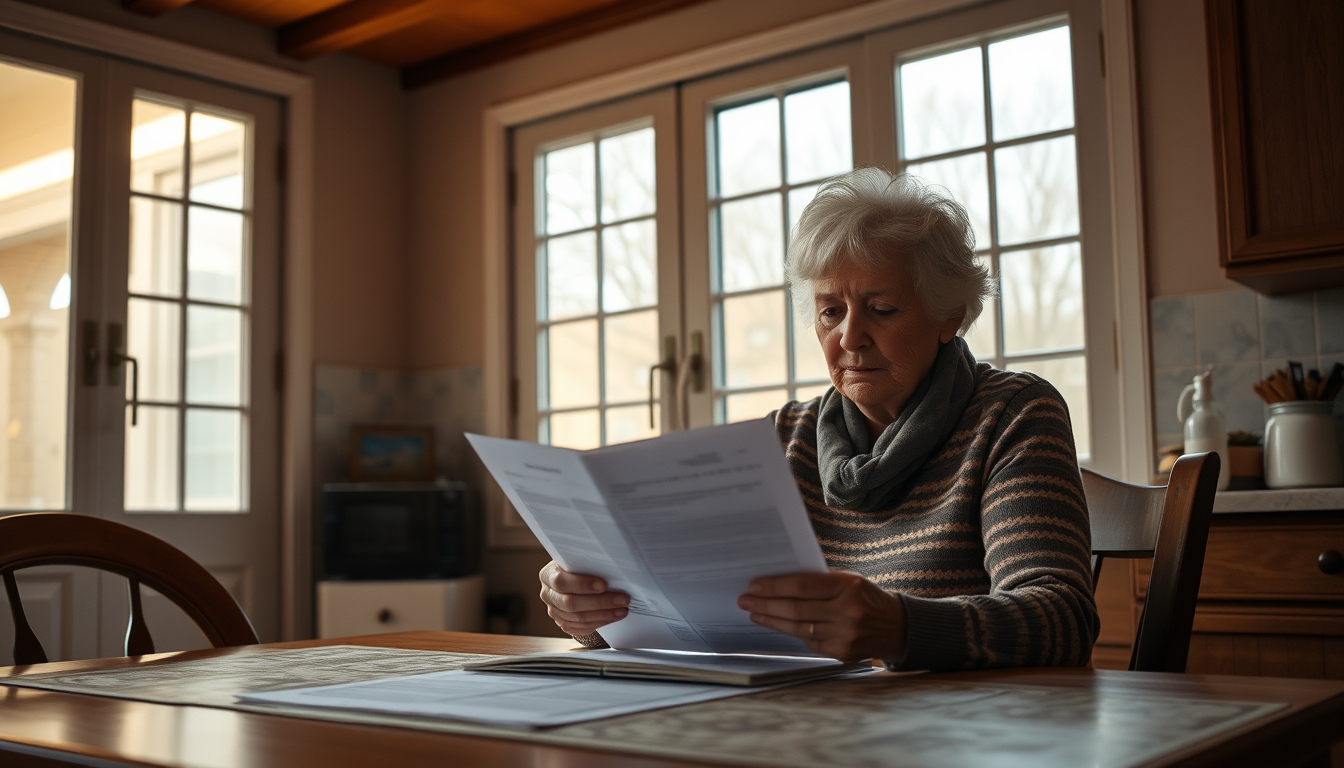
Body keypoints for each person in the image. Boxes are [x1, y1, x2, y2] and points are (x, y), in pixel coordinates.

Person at [537, 168, 1097, 671]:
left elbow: (1062, 618)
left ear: (949, 315)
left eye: (881, 309)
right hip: (797, 721)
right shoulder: (781, 437)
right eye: (831, 311)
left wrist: (900, 627)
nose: (850, 338)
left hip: (962, 730)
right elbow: (690, 609)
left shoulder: (1012, 414)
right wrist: (595, 613)